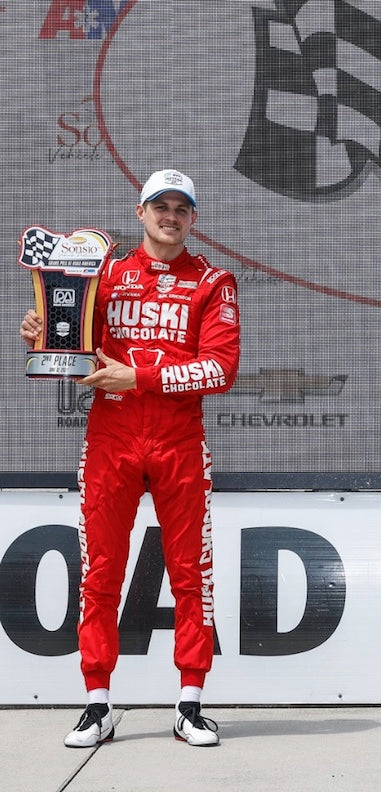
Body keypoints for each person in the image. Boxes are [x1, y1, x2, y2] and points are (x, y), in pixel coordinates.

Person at [20, 169, 240, 747]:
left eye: (181, 208)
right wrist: (46, 330)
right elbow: (76, 343)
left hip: (179, 442)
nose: (170, 216)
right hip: (111, 440)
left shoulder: (214, 282)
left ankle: (190, 701)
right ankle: (97, 703)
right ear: (139, 212)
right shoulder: (105, 273)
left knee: (193, 574)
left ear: (193, 219)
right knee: (100, 574)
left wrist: (138, 376)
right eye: (159, 206)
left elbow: (220, 369)